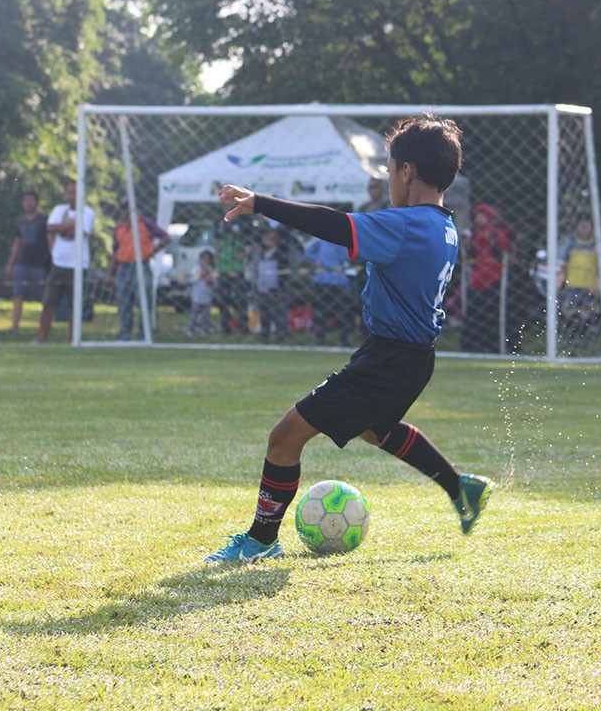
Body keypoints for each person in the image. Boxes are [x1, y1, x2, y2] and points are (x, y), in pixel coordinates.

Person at [205, 115, 492, 563]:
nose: (388, 178)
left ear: (407, 171)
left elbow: (334, 225)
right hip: (410, 358)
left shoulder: (406, 225)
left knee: (284, 437)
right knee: (374, 428)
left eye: (389, 168)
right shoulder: (444, 225)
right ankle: (462, 488)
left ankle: (260, 541)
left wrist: (261, 202)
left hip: (389, 360)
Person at [36, 181, 96, 344]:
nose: (72, 197)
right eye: (70, 193)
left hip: (78, 265)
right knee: (49, 302)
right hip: (58, 263)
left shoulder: (88, 212)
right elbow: (50, 228)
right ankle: (41, 338)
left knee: (74, 305)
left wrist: (64, 226)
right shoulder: (58, 210)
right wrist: (68, 225)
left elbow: (81, 231)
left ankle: (72, 339)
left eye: (76, 193)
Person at [108, 200, 168, 341]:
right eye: (122, 208)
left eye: (127, 208)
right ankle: (125, 333)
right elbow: (115, 251)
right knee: (123, 301)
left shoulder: (145, 223)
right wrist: (111, 273)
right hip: (123, 267)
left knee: (143, 300)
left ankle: (144, 334)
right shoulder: (118, 227)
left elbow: (165, 237)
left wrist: (153, 251)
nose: (124, 211)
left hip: (141, 265)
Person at [460, 203, 513, 353]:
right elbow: (470, 255)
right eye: (477, 216)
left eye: (482, 216)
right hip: (478, 274)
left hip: (494, 274)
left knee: (492, 310)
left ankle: (494, 345)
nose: (479, 219)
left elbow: (502, 253)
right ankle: (473, 345)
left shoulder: (496, 233)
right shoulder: (474, 234)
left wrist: (491, 241)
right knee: (475, 309)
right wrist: (467, 246)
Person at [5, 191, 50, 333]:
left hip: (39, 264)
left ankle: (44, 326)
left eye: (31, 200)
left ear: (37, 203)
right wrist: (10, 264)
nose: (28, 203)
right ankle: (15, 326)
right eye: (26, 201)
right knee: (18, 293)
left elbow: (50, 241)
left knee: (44, 296)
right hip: (22, 263)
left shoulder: (44, 220)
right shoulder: (20, 221)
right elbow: (17, 242)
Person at [557, 218, 601, 352]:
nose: (584, 229)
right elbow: (564, 264)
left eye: (586, 226)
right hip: (573, 283)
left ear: (592, 228)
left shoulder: (596, 245)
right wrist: (561, 278)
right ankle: (569, 339)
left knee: (586, 313)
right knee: (569, 311)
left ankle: (582, 340)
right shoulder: (570, 244)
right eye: (581, 226)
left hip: (589, 284)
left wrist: (598, 282)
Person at [306, 234, 355, 346]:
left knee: (341, 312)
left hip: (337, 282)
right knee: (323, 312)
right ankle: (321, 339)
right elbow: (308, 252)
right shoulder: (321, 241)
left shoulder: (340, 242)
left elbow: (347, 256)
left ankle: (343, 340)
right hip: (324, 281)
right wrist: (317, 259)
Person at [253, 227, 288, 344]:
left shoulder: (281, 255)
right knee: (264, 315)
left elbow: (284, 275)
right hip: (262, 288)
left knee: (278, 315)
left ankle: (280, 337)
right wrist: (256, 291)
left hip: (276, 289)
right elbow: (256, 274)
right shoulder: (261, 254)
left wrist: (281, 290)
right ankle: (265, 337)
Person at [186, 249, 216, 337]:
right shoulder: (196, 269)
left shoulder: (212, 270)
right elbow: (192, 280)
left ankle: (203, 330)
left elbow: (215, 284)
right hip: (197, 296)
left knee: (205, 316)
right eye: (203, 260)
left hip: (207, 297)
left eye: (207, 260)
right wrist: (201, 275)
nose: (205, 262)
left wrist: (211, 282)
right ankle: (190, 329)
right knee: (194, 315)